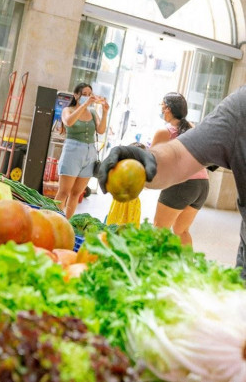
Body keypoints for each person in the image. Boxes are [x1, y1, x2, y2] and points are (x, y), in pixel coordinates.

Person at [97, 86, 246, 278]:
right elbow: (178, 156)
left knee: (163, 227)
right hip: (202, 188)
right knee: (181, 230)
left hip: (185, 187)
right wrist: (143, 160)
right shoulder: (240, 107)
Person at [151, 93, 209, 246]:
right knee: (181, 231)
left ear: (167, 108)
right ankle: (187, 268)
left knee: (158, 230)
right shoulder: (192, 127)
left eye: (161, 106)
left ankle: (151, 269)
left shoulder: (165, 131)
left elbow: (151, 162)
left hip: (181, 185)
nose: (161, 110)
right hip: (202, 185)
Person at [55, 83, 110, 218]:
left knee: (76, 193)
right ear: (76, 95)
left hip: (90, 154)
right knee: (64, 192)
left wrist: (105, 113)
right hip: (72, 152)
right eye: (84, 94)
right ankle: (54, 219)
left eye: (89, 94)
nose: (87, 97)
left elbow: (101, 130)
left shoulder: (92, 112)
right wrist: (84, 105)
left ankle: (67, 222)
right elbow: (68, 122)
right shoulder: (68, 110)